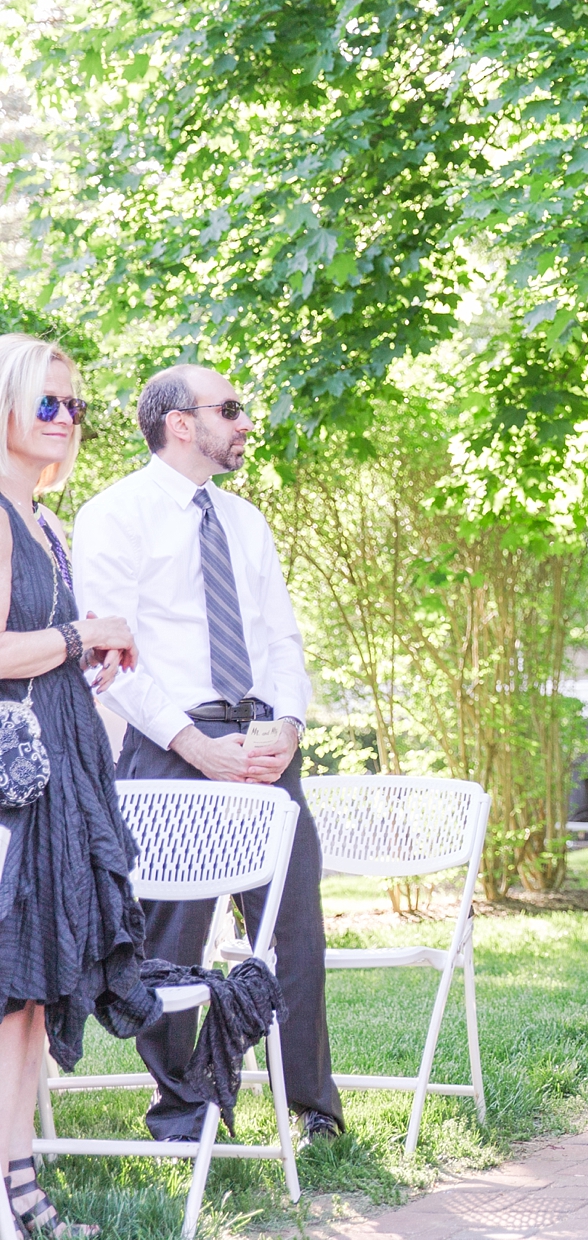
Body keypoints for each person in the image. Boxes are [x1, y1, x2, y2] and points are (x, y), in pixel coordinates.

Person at [71, 364, 344, 1145]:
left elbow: (281, 639)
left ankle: (312, 1110)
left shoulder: (247, 522)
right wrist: (193, 743)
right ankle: (181, 1111)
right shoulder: (113, 516)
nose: (245, 422)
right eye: (231, 409)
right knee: (169, 942)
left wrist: (286, 726)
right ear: (180, 423)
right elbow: (105, 658)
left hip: (263, 751)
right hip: (171, 747)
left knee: (293, 931)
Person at [0, 333, 144, 1238]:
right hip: (12, 787)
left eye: (75, 405)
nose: (65, 419)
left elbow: (46, 654)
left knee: (29, 996)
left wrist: (84, 656)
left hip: (61, 773)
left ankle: (20, 1188)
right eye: (47, 402)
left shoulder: (48, 523)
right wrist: (87, 637)